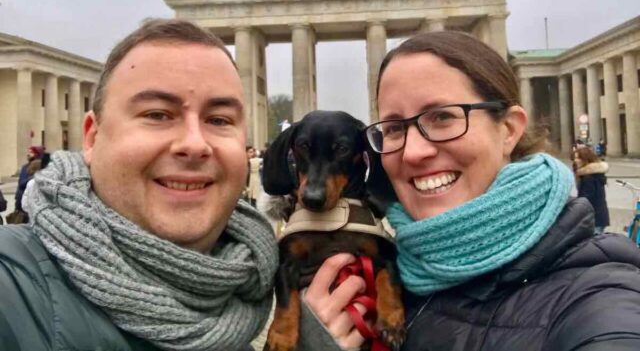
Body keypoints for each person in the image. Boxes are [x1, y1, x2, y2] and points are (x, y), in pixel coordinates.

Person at [301, 31, 640, 351]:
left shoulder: (598, 300)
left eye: (443, 117)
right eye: (394, 128)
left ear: (508, 130)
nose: (414, 151)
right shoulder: (388, 276)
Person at [0, 19, 278, 351]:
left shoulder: (240, 293)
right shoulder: (9, 285)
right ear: (92, 136)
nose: (194, 144)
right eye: (157, 114)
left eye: (219, 120)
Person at [573, 146, 610, 234]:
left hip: (594, 218)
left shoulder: (589, 177)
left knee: (593, 245)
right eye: (574, 158)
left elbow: (587, 198)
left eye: (578, 158)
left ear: (586, 159)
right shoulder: (591, 174)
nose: (575, 160)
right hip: (597, 217)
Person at [14, 145, 45, 215]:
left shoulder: (43, 167)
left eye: (31, 152)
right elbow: (21, 183)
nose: (28, 154)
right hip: (23, 203)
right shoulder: (25, 167)